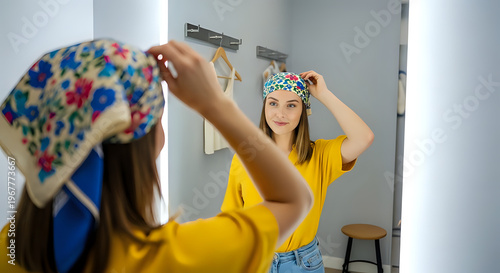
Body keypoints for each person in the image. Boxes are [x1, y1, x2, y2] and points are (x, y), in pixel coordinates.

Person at [0, 39, 313, 273]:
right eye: (159, 120)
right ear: (146, 143)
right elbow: (294, 200)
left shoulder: (9, 246)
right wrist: (216, 106)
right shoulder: (179, 257)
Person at [221, 71, 374, 273]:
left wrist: (324, 94)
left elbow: (363, 138)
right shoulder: (243, 159)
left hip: (303, 264)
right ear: (264, 107)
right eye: (273, 103)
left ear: (303, 110)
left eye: (291, 105)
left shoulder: (320, 156)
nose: (280, 114)